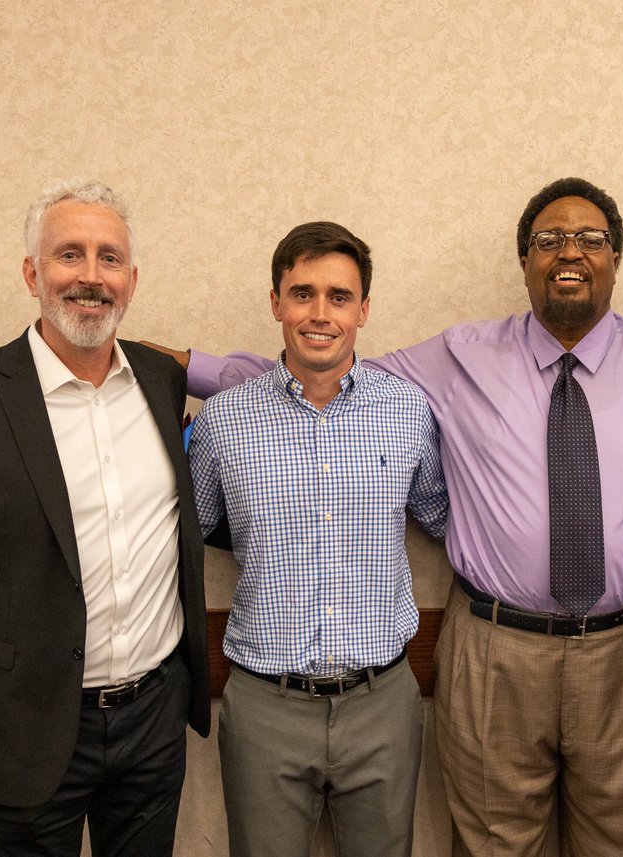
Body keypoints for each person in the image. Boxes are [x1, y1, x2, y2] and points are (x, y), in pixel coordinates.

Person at [147, 178, 623, 856]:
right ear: (524, 260)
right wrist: (171, 368)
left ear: (617, 256)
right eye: (548, 239)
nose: (570, 252)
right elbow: (323, 375)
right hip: (496, 648)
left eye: (591, 239)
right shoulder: (457, 357)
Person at [0, 178, 210, 856]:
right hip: (22, 727)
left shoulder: (160, 380)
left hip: (153, 723)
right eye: (70, 254)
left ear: (132, 279)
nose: (91, 276)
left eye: (109, 258)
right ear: (33, 272)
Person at [187, 221, 447, 857]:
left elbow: (441, 518)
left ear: (363, 309)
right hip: (265, 704)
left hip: (382, 700)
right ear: (276, 302)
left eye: (338, 296)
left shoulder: (408, 412)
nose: (319, 313)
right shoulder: (224, 420)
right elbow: (192, 529)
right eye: (302, 293)